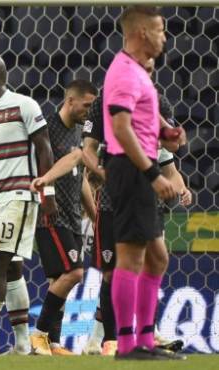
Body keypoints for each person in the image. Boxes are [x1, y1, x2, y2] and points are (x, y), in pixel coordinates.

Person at [81, 58, 190, 356]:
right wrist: (106, 175)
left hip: (146, 196)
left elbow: (170, 151)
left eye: (152, 70)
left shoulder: (158, 99)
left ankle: (141, 335)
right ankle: (111, 339)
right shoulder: (106, 97)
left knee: (152, 261)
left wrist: (173, 142)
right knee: (112, 270)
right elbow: (87, 150)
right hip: (114, 196)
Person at [102, 6, 185, 360]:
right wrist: (153, 174)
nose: (165, 38)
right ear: (141, 34)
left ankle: (146, 341)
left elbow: (138, 122)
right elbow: (120, 129)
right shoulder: (123, 72)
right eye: (160, 30)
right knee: (131, 257)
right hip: (131, 169)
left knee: (157, 257)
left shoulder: (138, 72)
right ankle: (126, 344)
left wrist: (165, 132)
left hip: (138, 165)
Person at [0, 54, 57, 356]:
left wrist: (48, 195)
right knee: (13, 269)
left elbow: (45, 150)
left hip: (19, 196)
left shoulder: (24, 105)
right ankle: (21, 344)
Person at [28, 80, 98, 356]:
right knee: (74, 273)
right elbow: (42, 167)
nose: (90, 112)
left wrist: (94, 215)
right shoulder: (46, 129)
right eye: (87, 105)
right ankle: (39, 335)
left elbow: (80, 179)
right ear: (70, 101)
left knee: (58, 280)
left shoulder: (80, 132)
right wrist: (48, 198)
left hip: (72, 217)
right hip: (51, 215)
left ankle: (52, 344)